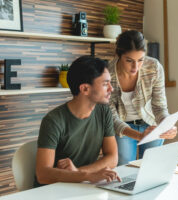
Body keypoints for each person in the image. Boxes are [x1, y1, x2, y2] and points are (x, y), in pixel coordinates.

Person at [35, 56, 120, 187]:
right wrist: (87, 176)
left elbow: (112, 158)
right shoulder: (53, 120)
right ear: (85, 89)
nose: (111, 89)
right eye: (105, 84)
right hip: (53, 191)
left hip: (81, 186)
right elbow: (43, 174)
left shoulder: (104, 111)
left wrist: (79, 173)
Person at [108, 30, 178, 166]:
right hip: (123, 127)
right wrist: (139, 135)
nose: (136, 67)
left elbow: (159, 107)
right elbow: (112, 117)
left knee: (151, 168)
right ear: (118, 55)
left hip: (151, 124)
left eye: (140, 60)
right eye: (129, 61)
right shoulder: (107, 74)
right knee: (124, 168)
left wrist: (167, 124)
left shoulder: (154, 67)